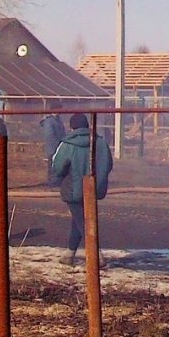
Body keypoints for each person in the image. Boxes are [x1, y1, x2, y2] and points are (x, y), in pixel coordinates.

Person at [50, 113, 113, 263]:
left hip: (73, 189)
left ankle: (97, 255)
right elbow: (108, 164)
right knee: (78, 219)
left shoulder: (67, 144)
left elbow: (57, 167)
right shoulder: (101, 143)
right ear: (87, 126)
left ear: (71, 127)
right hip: (94, 188)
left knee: (83, 222)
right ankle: (69, 254)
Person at [40, 104, 66, 185]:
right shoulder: (50, 121)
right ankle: (52, 182)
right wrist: (57, 144)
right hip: (53, 147)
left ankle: (57, 181)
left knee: (58, 164)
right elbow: (49, 136)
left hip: (59, 147)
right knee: (52, 165)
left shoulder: (58, 120)